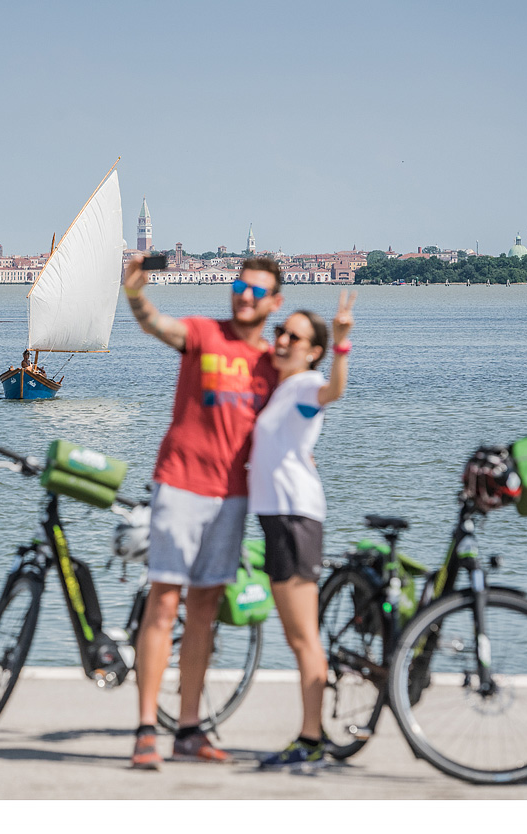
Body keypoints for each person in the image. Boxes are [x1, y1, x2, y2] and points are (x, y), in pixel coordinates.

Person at [123, 253, 282, 769]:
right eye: (240, 286)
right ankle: (147, 729)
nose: (244, 296)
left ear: (273, 303)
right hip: (181, 485)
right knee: (164, 601)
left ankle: (188, 730)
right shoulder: (203, 334)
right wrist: (134, 292)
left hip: (233, 497)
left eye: (257, 291)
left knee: (205, 612)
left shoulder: (272, 366)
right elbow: (155, 324)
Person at [247, 292, 356, 768]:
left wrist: (343, 347)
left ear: (314, 349)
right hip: (282, 519)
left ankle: (311, 740)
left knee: (303, 636)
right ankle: (312, 736)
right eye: (281, 331)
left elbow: (333, 392)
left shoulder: (306, 384)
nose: (284, 339)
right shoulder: (283, 389)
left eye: (295, 335)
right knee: (300, 635)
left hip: (294, 519)